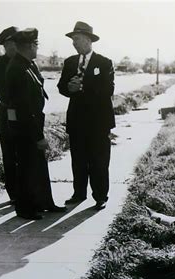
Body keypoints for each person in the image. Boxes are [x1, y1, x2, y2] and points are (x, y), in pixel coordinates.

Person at [5, 28, 66, 220]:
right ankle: (25, 209)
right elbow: (24, 108)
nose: (36, 49)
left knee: (38, 165)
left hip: (31, 123)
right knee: (25, 167)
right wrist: (38, 136)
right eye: (36, 45)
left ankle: (44, 203)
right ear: (31, 46)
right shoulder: (17, 68)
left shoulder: (28, 65)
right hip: (25, 127)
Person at [58, 21, 115, 211]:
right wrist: (68, 88)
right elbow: (61, 87)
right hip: (77, 120)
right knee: (78, 159)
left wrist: (82, 86)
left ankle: (100, 196)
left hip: (99, 122)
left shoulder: (104, 63)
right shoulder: (70, 62)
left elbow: (108, 89)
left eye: (78, 39)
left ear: (89, 40)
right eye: (73, 40)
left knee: (99, 160)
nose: (74, 43)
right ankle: (78, 193)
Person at [0, 26, 19, 203]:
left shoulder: (27, 62)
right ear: (5, 45)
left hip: (26, 114)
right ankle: (14, 194)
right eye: (11, 43)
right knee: (9, 153)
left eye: (18, 42)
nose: (15, 46)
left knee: (26, 153)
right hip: (6, 111)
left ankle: (28, 191)